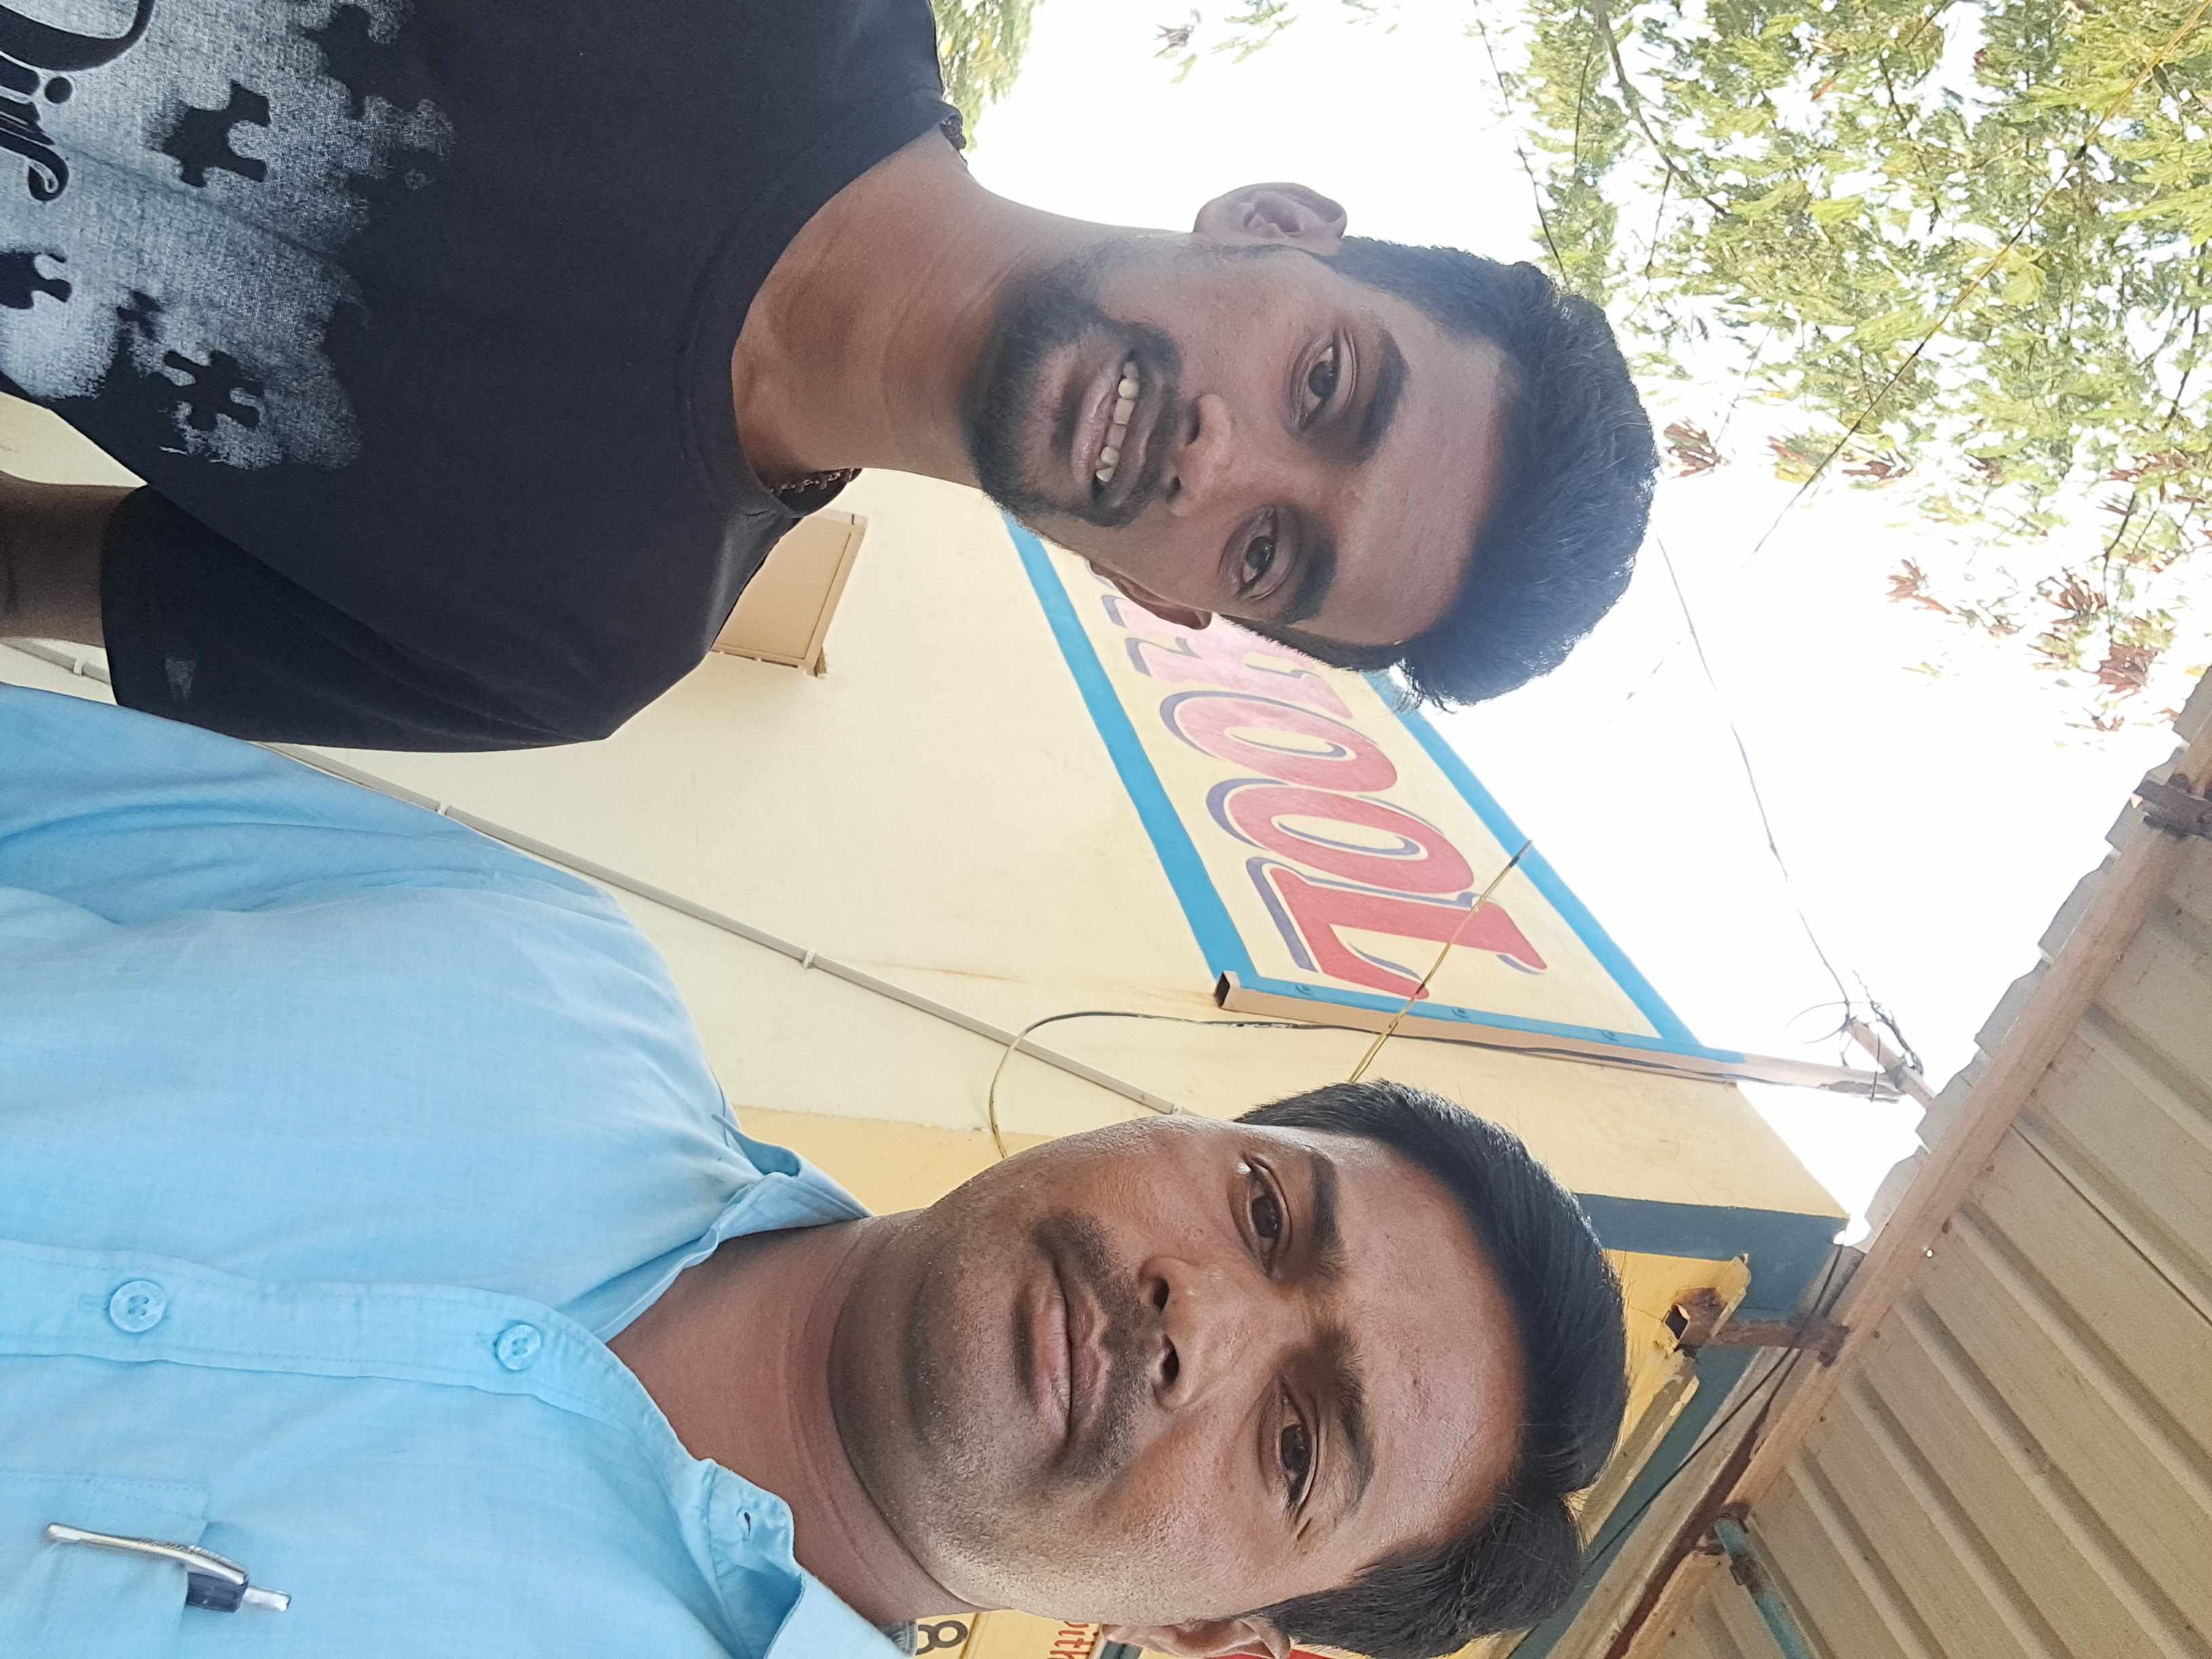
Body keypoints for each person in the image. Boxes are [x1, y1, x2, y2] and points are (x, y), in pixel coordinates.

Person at [0, 683, 1629, 1659]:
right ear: (1176, 1126)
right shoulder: (537, 964)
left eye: (1295, 1441)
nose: (1194, 1315)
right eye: (1265, 1211)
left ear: (1205, 1635)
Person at [0, 0, 1657, 752]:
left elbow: (15, 574)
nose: (1219, 461)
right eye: (1327, 387)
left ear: (1170, 598)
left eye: (1273, 550)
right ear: (1276, 224)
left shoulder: (574, 652)